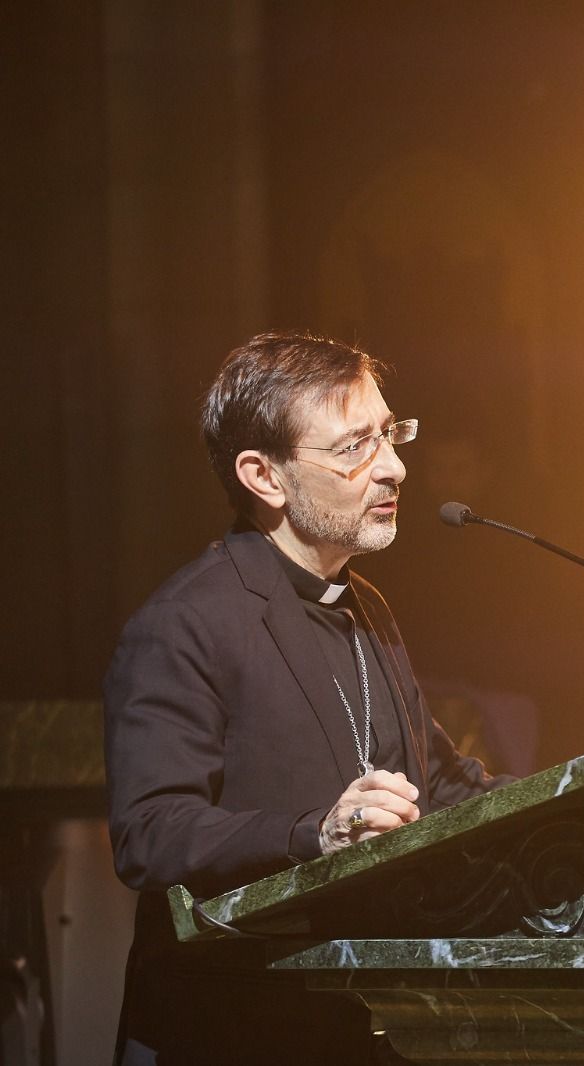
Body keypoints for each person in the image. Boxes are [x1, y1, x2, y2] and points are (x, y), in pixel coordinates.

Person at [103, 331, 514, 1065]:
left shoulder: (366, 606)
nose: (393, 467)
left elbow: (441, 784)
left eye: (389, 434)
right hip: (229, 1027)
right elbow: (150, 833)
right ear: (265, 476)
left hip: (366, 1020)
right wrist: (313, 836)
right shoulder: (184, 622)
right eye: (356, 446)